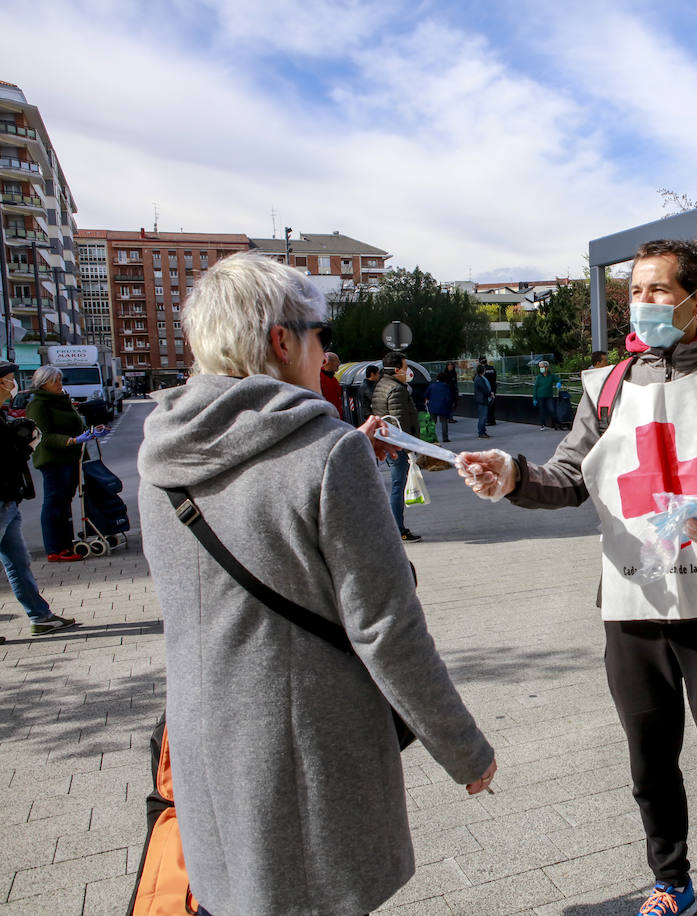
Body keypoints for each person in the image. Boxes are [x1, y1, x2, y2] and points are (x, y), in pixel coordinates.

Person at [136, 252, 495, 916]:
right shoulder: (327, 454)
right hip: (302, 757)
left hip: (203, 749)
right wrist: (465, 749)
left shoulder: (162, 455)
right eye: (321, 334)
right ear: (281, 340)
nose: (325, 349)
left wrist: (342, 459)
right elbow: (387, 627)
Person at [456, 238, 697, 916]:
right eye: (634, 290)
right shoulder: (605, 386)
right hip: (632, 605)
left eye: (657, 290)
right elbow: (570, 477)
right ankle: (671, 881)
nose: (641, 303)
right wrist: (514, 475)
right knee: (649, 760)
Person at [0, 362, 75, 636]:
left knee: (18, 562)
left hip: (9, 497)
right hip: (1, 498)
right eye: (9, 379)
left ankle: (40, 616)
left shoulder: (2, 414)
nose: (13, 384)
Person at [26, 365, 108, 563]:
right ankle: (55, 548)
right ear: (42, 384)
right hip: (53, 460)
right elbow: (43, 437)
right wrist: (71, 440)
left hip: (70, 458)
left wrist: (89, 431)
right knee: (54, 503)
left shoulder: (62, 400)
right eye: (54, 381)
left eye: (60, 380)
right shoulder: (39, 404)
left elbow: (75, 424)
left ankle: (66, 544)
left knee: (64, 503)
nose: (59, 384)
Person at [371, 351, 422, 541]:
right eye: (406, 368)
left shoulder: (381, 385)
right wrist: (409, 449)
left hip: (387, 443)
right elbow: (399, 422)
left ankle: (396, 527)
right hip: (397, 446)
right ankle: (398, 529)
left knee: (396, 485)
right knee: (398, 485)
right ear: (396, 369)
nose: (408, 371)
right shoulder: (396, 389)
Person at [426, 373, 454, 442]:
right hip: (443, 406)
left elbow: (427, 395)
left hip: (433, 406)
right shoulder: (446, 386)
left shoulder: (432, 386)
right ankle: (445, 438)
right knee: (444, 422)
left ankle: (431, 437)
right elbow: (448, 397)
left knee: (432, 423)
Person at [533, 359, 560, 430]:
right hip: (540, 396)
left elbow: (558, 379)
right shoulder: (539, 377)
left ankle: (555, 424)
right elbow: (535, 388)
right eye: (540, 367)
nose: (541, 369)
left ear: (546, 368)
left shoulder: (551, 375)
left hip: (549, 396)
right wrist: (534, 398)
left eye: (542, 367)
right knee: (542, 410)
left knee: (552, 409)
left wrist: (558, 383)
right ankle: (542, 424)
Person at [472, 365, 492, 439]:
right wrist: (490, 394)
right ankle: (481, 432)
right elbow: (484, 389)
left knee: (483, 417)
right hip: (482, 400)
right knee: (482, 417)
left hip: (481, 399)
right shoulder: (479, 379)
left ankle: (483, 431)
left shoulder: (479, 378)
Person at [479, 357, 498, 425]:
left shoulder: (482, 370)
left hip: (486, 390)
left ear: (480, 362)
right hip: (493, 389)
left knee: (487, 405)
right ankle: (492, 420)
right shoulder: (492, 368)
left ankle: (489, 420)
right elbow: (495, 378)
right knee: (492, 405)